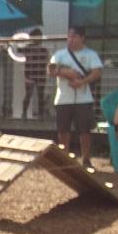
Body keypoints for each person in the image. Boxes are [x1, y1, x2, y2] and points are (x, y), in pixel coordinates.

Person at [48, 26, 102, 169]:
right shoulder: (60, 54)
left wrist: (82, 82)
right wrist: (67, 73)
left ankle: (86, 159)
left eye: (74, 37)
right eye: (69, 37)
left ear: (82, 38)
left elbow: (97, 72)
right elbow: (51, 70)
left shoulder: (91, 54)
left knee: (85, 130)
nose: (71, 40)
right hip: (63, 98)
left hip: (84, 98)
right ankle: (64, 158)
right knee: (63, 130)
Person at [21, 28, 49, 119]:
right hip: (31, 75)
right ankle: (24, 113)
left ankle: (40, 114)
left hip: (39, 75)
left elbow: (45, 61)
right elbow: (18, 50)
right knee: (29, 94)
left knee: (40, 95)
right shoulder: (28, 49)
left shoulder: (43, 50)